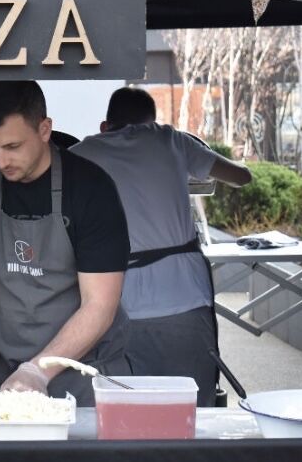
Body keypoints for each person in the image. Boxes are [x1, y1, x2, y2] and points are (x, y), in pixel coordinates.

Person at [0, 81, 131, 406]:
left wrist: (37, 370)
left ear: (45, 129)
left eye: (13, 146)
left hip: (83, 381)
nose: (1, 161)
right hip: (3, 379)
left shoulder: (91, 190)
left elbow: (99, 306)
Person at [71, 86, 252, 407]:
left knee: (125, 406)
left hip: (114, 306)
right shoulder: (174, 141)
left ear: (104, 126)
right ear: (152, 122)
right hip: (185, 299)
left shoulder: (80, 154)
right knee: (191, 405)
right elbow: (241, 177)